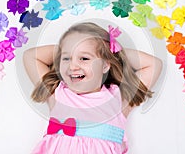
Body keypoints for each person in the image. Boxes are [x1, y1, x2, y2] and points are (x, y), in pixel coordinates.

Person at [23, 22, 162, 154]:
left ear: (105, 65)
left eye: (84, 58)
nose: (73, 66)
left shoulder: (118, 99)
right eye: (66, 59)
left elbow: (153, 64)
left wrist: (112, 52)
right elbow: (30, 56)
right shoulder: (57, 93)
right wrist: (67, 47)